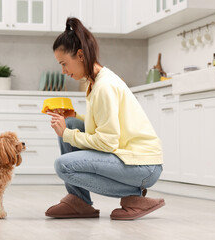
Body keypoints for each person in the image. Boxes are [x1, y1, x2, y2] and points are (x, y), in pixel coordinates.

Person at [45, 17, 165, 220]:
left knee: (63, 165)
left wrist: (67, 134)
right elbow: (103, 126)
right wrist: (72, 119)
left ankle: (134, 199)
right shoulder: (96, 81)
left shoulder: (104, 86)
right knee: (73, 124)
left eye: (64, 64)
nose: (64, 71)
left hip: (143, 165)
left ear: (80, 55)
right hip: (129, 157)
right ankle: (79, 201)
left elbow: (107, 142)